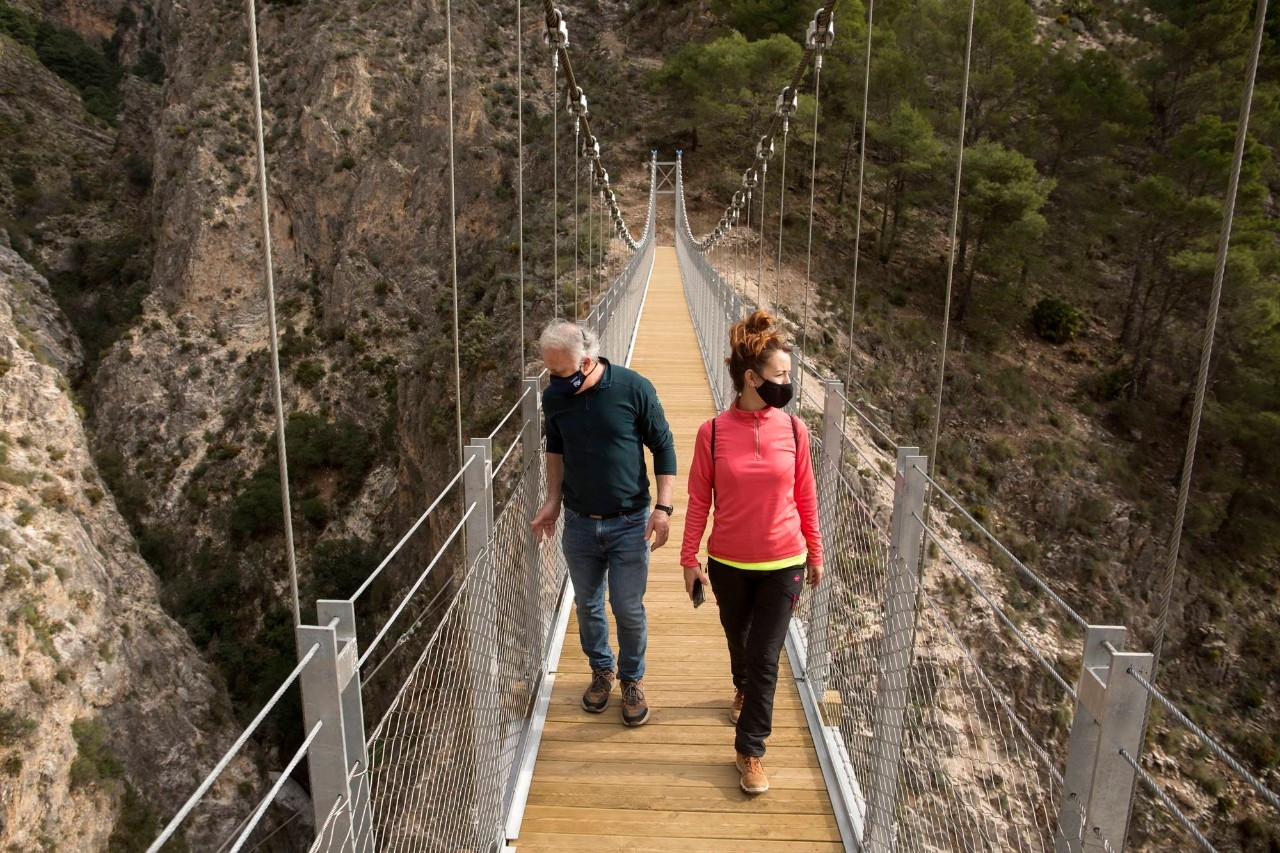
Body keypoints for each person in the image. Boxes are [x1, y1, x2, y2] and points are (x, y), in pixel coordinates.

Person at [680, 310, 823, 794]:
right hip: (729, 564)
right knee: (740, 642)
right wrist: (689, 559)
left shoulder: (796, 431)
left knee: (765, 657)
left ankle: (750, 750)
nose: (787, 384)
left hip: (785, 561)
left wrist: (816, 551)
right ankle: (739, 685)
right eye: (780, 376)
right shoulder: (713, 432)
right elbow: (699, 498)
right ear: (751, 378)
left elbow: (806, 495)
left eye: (788, 375)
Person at [531, 320, 677, 727]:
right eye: (549, 371)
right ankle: (601, 671)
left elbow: (663, 445)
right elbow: (555, 449)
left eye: (559, 372)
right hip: (579, 523)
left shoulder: (633, 388)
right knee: (588, 605)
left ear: (586, 361)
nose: (553, 380)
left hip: (630, 522)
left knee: (627, 608)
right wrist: (552, 501)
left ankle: (632, 679)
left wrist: (663, 508)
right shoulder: (554, 398)